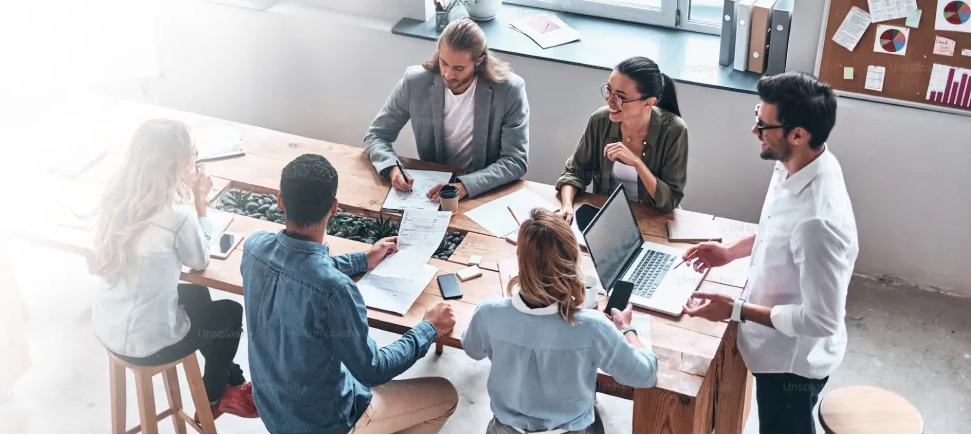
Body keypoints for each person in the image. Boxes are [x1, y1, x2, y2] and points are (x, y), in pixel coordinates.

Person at [680, 72, 856, 435]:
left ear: (797, 134)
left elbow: (821, 321)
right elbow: (777, 229)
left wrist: (734, 310)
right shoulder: (796, 163)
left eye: (763, 123)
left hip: (791, 365)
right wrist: (730, 252)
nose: (753, 129)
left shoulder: (817, 222)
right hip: (769, 345)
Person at [241, 154, 459, 434]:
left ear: (280, 200)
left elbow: (300, 265)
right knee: (446, 394)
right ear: (334, 207)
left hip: (272, 410)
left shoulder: (254, 247)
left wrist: (363, 260)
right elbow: (373, 370)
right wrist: (428, 328)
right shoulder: (336, 290)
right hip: (329, 424)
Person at [89, 119, 257, 418]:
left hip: (107, 327)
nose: (196, 160)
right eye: (193, 154)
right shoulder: (177, 216)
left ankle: (230, 381)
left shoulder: (118, 194)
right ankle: (214, 396)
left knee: (199, 296)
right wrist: (200, 203)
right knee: (231, 312)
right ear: (175, 163)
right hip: (149, 346)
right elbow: (200, 260)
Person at [463, 208, 658, 435]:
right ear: (573, 263)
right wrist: (627, 330)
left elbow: (472, 349)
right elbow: (645, 375)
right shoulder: (593, 327)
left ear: (520, 261)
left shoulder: (488, 313)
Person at [365, 18, 529, 200]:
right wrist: (392, 169)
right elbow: (376, 135)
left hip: (481, 192)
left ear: (479, 60)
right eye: (444, 63)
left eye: (459, 68)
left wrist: (464, 186)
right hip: (430, 190)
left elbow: (515, 161)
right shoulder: (415, 82)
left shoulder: (509, 91)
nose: (448, 74)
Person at [556, 56, 690, 216]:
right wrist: (567, 206)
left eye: (621, 97)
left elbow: (670, 201)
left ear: (649, 102)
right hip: (607, 217)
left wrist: (637, 163)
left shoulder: (674, 130)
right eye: (609, 90)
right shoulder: (600, 120)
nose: (610, 101)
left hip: (655, 219)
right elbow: (575, 172)